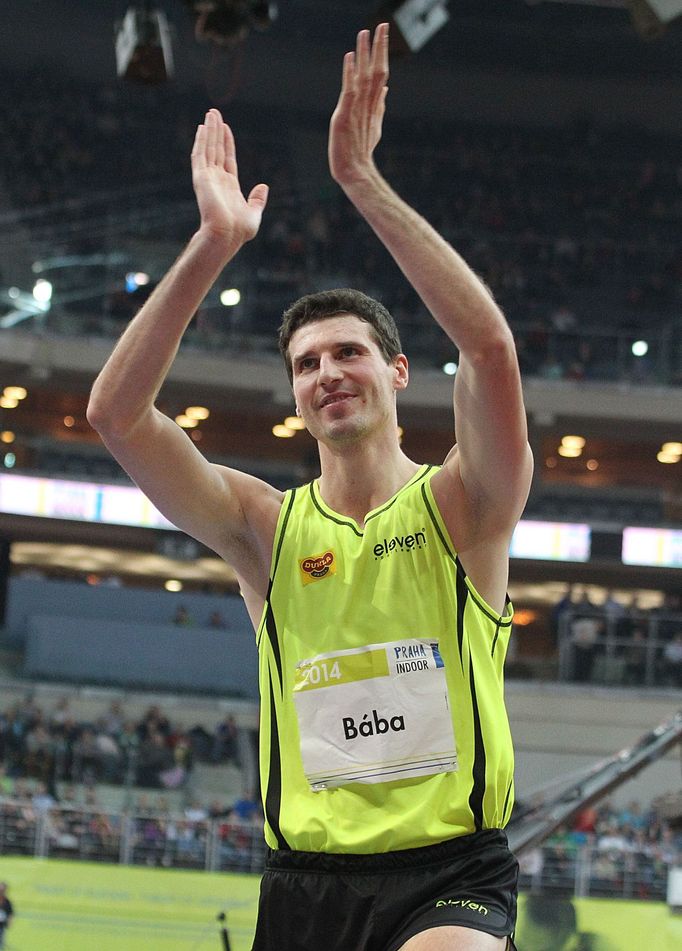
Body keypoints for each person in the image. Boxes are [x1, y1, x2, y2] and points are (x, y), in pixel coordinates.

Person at [87, 23, 532, 951]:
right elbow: (117, 418)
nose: (327, 371)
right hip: (305, 885)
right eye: (306, 362)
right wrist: (214, 243)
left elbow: (489, 350)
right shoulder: (263, 527)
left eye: (349, 352)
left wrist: (362, 182)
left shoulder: (465, 504)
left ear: (398, 371)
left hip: (450, 873)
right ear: (294, 393)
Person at [0, 882, 14, 950]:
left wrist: (9, 922)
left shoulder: (7, 901)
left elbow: (10, 913)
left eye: (2, 890)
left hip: (1, 925)